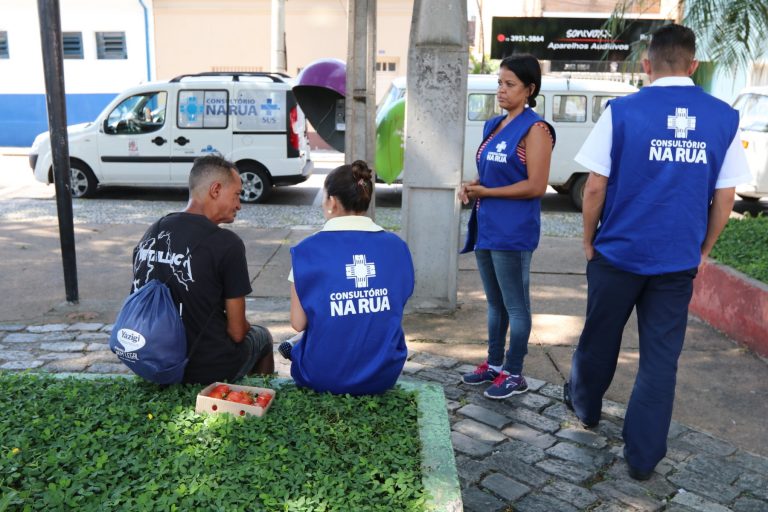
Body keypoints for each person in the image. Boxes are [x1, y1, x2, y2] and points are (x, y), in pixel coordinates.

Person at [563, 24, 751, 481]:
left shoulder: (623, 111)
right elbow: (725, 197)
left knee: (600, 338)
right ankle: (643, 458)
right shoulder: (723, 117)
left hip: (617, 255)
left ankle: (586, 408)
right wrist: (703, 247)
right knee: (660, 359)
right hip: (676, 261)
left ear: (647, 65)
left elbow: (595, 188)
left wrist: (589, 240)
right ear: (694, 65)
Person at [458, 54, 555, 400]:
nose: (501, 89)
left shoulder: (537, 129)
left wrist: (487, 191)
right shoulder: (493, 126)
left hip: (513, 231)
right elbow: (489, 175)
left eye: (509, 84)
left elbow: (536, 186)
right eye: (499, 82)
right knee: (495, 303)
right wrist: (471, 186)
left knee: (516, 305)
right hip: (486, 225)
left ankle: (515, 372)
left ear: (529, 89)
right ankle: (494, 364)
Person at [131, 154, 274, 384]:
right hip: (207, 368)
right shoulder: (228, 244)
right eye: (237, 195)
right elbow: (237, 332)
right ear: (216, 189)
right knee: (263, 337)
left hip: (153, 358)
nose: (239, 204)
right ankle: (257, 399)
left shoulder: (155, 230)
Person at [279, 160, 414, 395]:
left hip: (321, 376)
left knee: (300, 340)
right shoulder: (398, 247)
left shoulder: (306, 251)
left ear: (331, 202)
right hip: (383, 374)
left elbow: (298, 323)